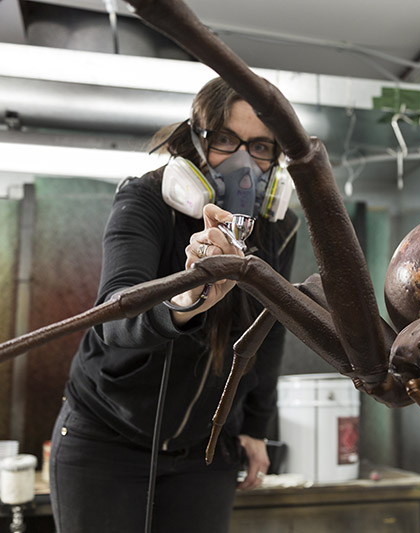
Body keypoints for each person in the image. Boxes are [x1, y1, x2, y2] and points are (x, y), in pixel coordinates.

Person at [48, 77, 299, 533]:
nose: (243, 160)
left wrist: (256, 425)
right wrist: (186, 296)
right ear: (196, 140)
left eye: (261, 147)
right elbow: (114, 316)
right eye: (225, 139)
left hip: (206, 450)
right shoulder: (144, 199)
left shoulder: (279, 229)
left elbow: (272, 327)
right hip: (106, 440)